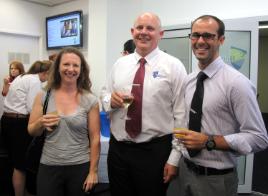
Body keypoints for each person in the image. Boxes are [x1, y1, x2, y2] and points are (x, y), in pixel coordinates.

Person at [171, 15, 268, 196]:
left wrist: (209, 141)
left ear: (221, 39)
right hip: (184, 171)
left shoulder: (237, 83)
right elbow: (185, 125)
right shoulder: (189, 80)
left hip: (216, 180)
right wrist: (174, 160)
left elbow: (259, 137)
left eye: (208, 36)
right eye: (195, 35)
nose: (200, 41)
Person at [100, 12, 187, 196]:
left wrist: (174, 157)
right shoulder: (120, 64)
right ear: (133, 32)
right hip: (119, 150)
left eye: (150, 28)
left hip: (154, 151)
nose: (144, 32)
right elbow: (104, 94)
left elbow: (182, 115)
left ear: (160, 34)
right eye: (139, 28)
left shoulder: (173, 66)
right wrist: (111, 101)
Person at [28, 47, 101, 196]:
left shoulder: (90, 99)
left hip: (80, 166)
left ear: (81, 70)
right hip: (49, 165)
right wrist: (41, 122)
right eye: (66, 64)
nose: (71, 69)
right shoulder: (43, 95)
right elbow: (31, 130)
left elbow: (95, 138)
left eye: (76, 65)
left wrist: (93, 171)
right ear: (57, 67)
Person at [1, 60, 52, 196]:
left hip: (6, 119)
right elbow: (32, 107)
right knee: (20, 165)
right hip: (19, 123)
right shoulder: (35, 81)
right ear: (46, 73)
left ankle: (20, 191)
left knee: (12, 161)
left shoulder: (21, 77)